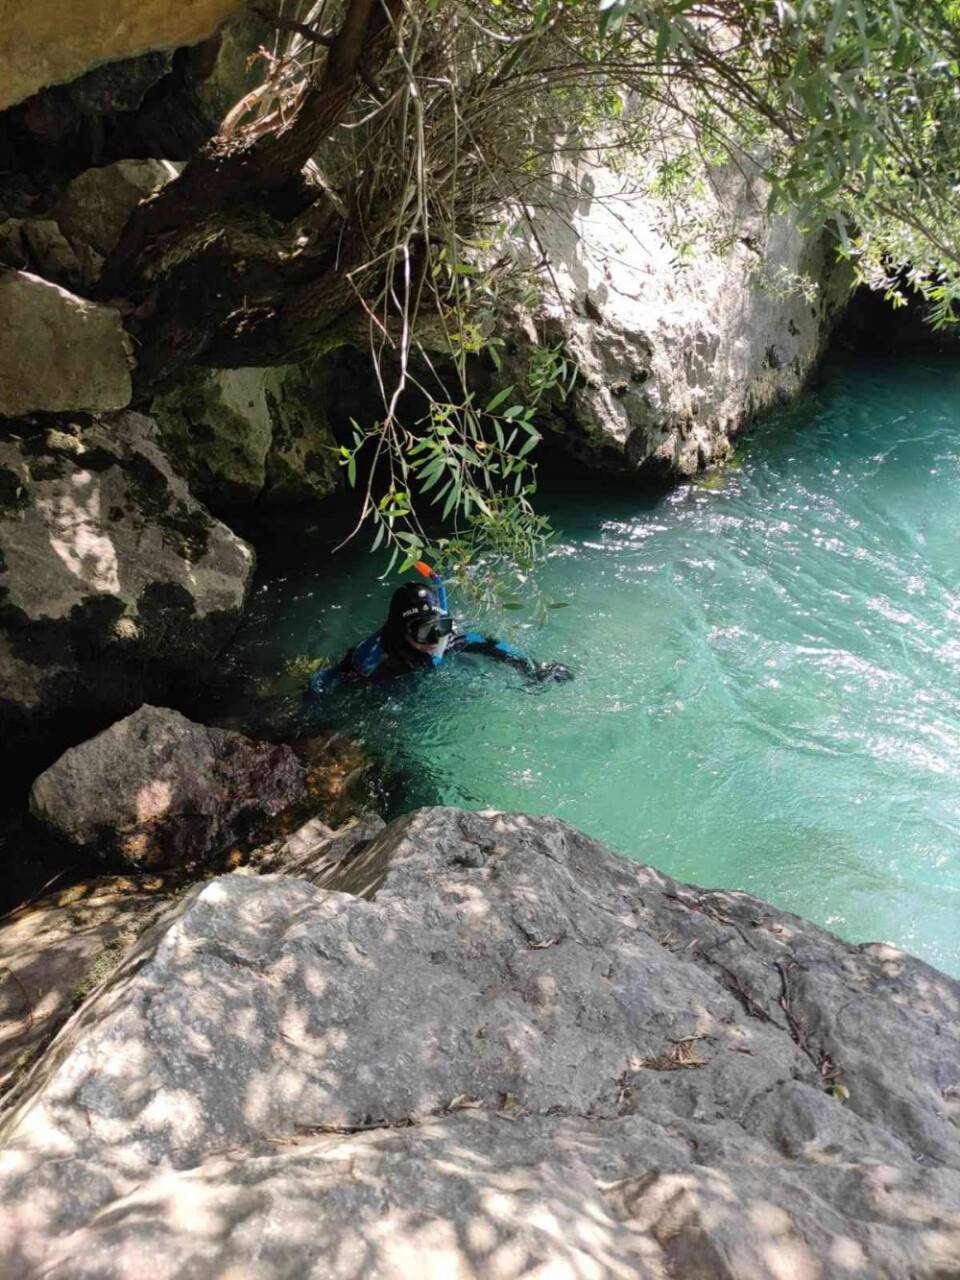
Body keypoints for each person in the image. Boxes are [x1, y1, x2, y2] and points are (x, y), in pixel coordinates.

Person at [308, 577, 572, 695]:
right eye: (425, 631)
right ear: (403, 630)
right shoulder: (369, 662)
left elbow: (492, 647)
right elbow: (327, 682)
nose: (437, 640)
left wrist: (534, 669)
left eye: (441, 626)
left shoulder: (444, 637)